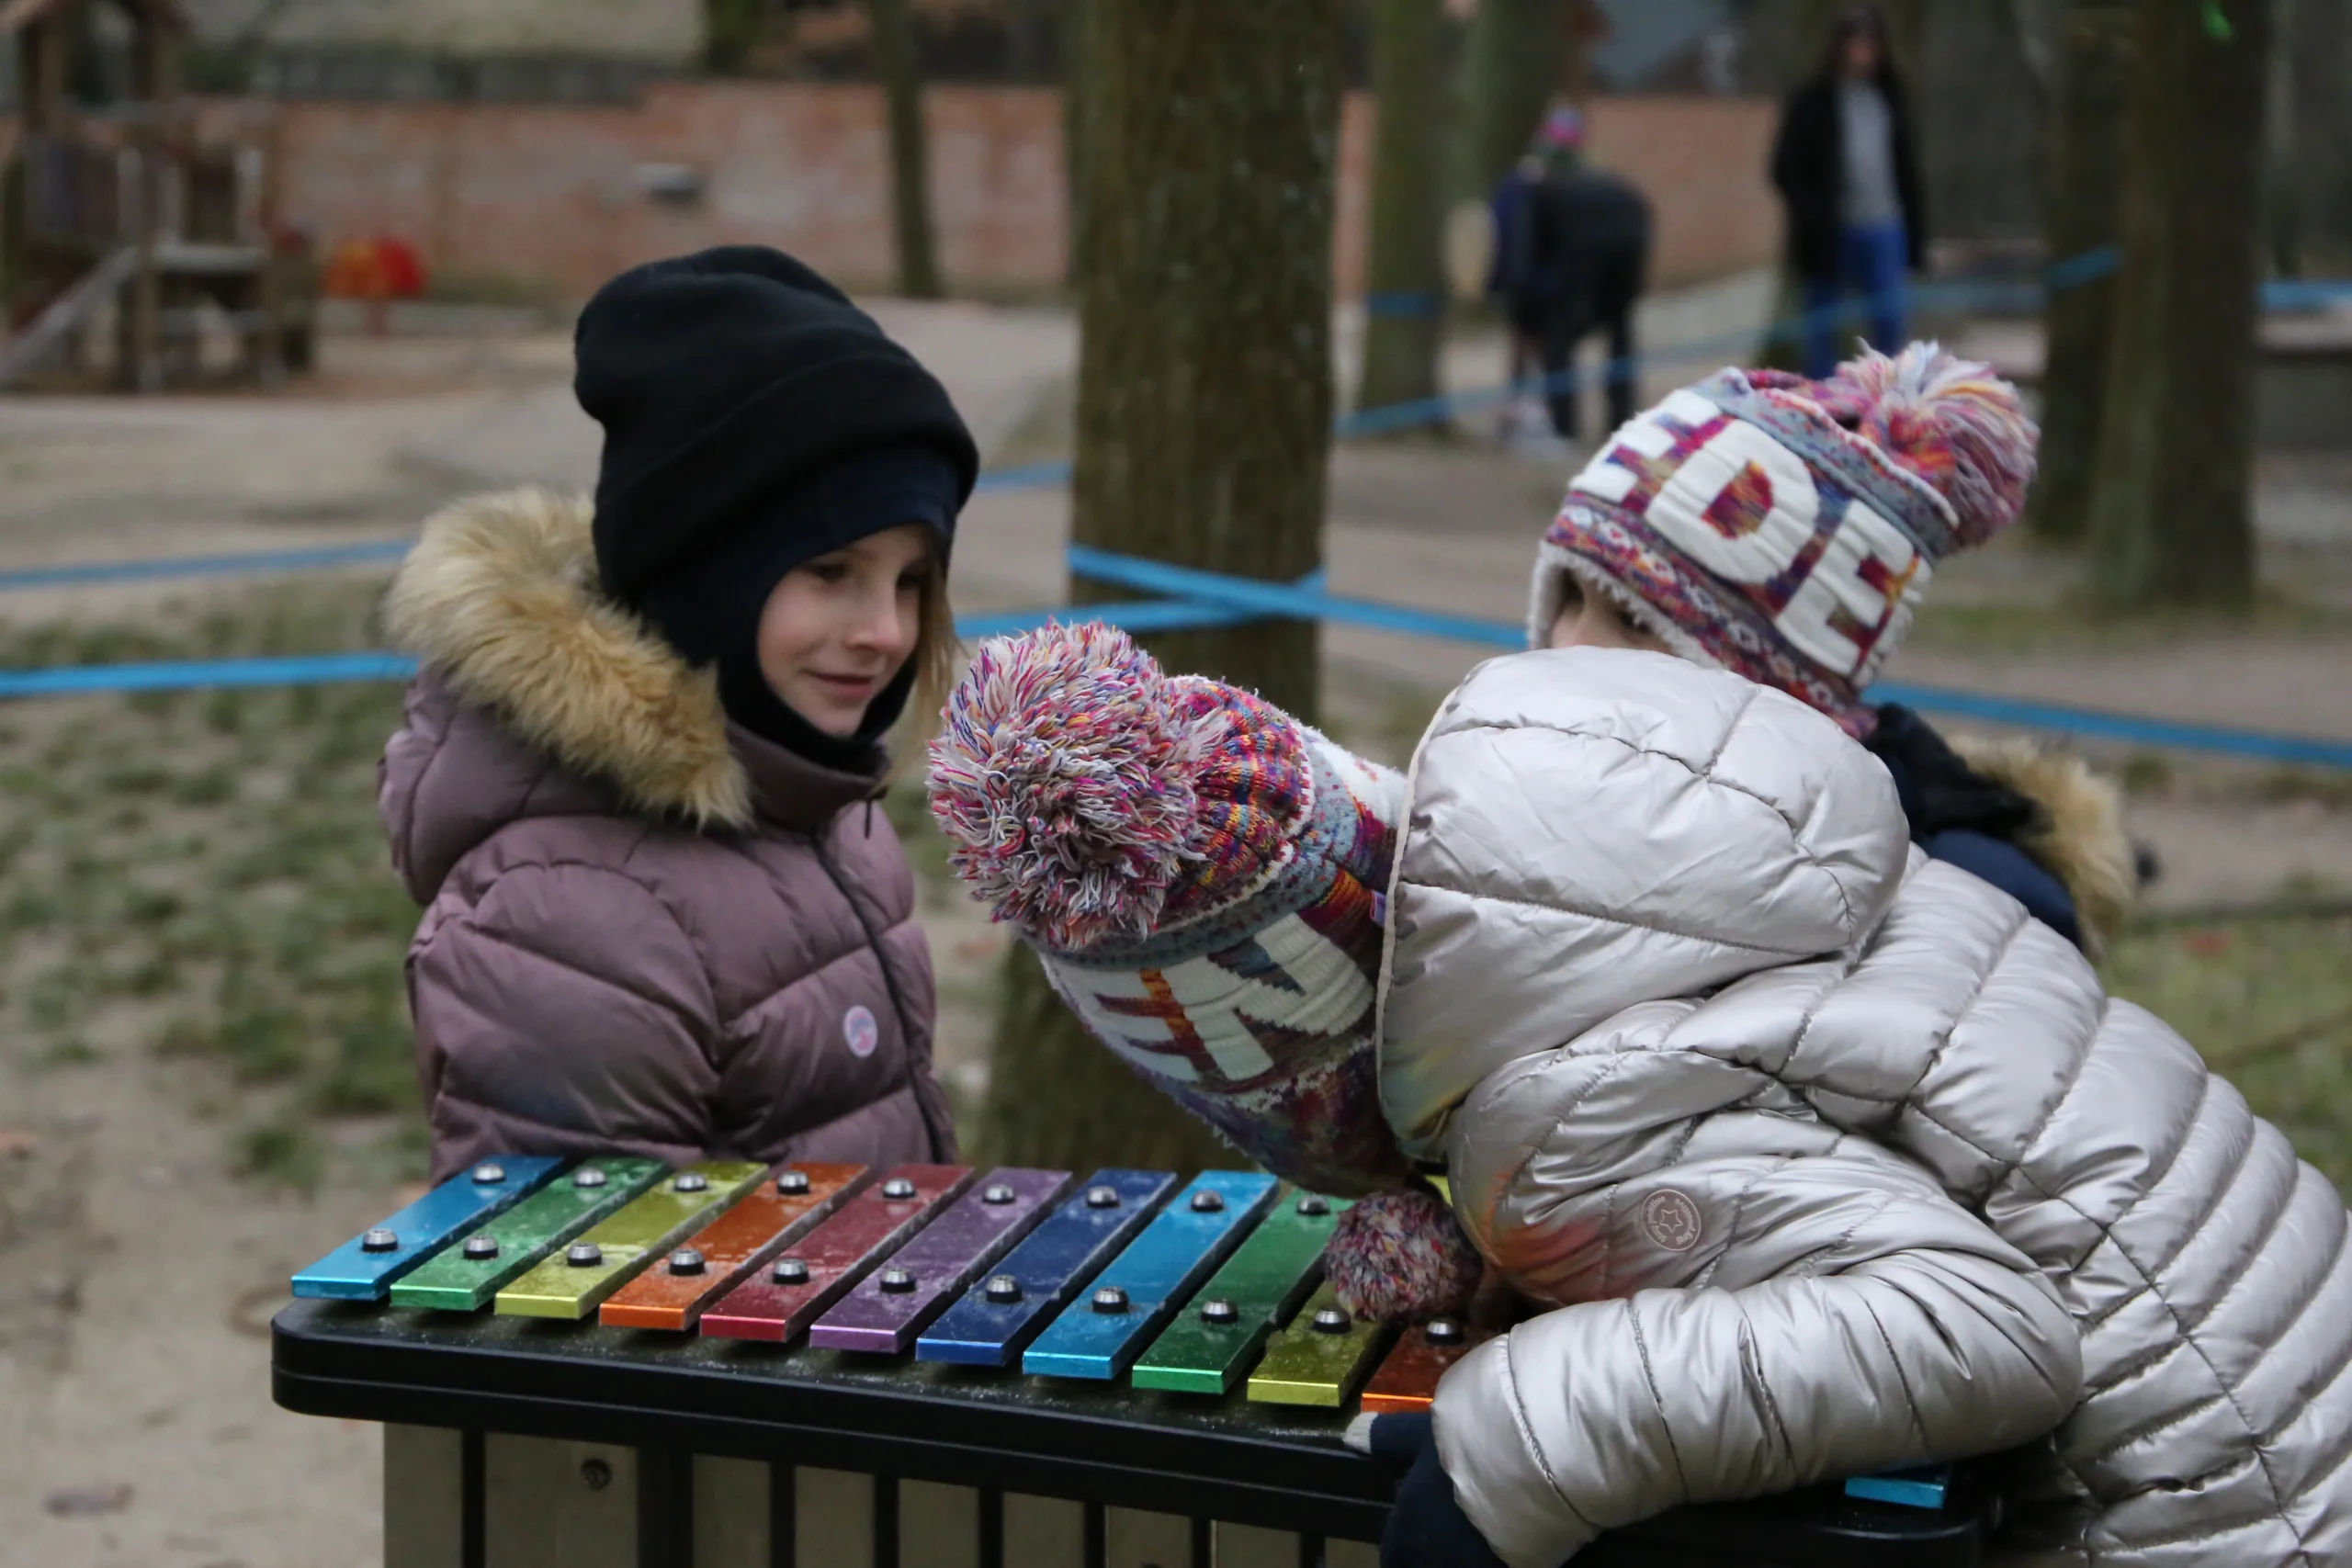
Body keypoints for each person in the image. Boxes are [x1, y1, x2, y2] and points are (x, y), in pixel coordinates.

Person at [925, 345, 2352, 1566]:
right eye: (1570, 600)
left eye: (1642, 632)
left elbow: (1954, 1317)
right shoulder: (1692, 885)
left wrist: (1523, 1431)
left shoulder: (1932, 890)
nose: (1574, 650)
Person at [379, 245, 973, 1183]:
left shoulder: (816, 801)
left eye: (910, 581)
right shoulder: (573, 919)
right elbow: (587, 1269)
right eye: (830, 570)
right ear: (705, 574)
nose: (886, 631)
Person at [1528, 342, 2135, 953]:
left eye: (1633, 619)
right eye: (1570, 594)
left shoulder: (1968, 909)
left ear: (1775, 680)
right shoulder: (1531, 813)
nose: (1568, 643)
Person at [1770, 6, 1927, 379]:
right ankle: (1822, 393)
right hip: (1830, 231)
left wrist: (1916, 230)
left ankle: (1887, 387)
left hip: (1884, 224)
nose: (1863, 52)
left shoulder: (1890, 98)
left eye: (1870, 44)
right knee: (1822, 323)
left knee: (1889, 318)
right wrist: (1812, 212)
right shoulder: (1813, 101)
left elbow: (1906, 169)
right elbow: (1784, 167)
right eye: (1856, 43)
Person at [1495, 107, 1652, 444]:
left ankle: (1562, 424)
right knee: (1619, 338)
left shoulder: (1531, 188)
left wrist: (1517, 293)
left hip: (1566, 282)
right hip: (1612, 271)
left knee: (1557, 345)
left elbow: (1517, 245)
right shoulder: (1612, 188)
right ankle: (1619, 420)